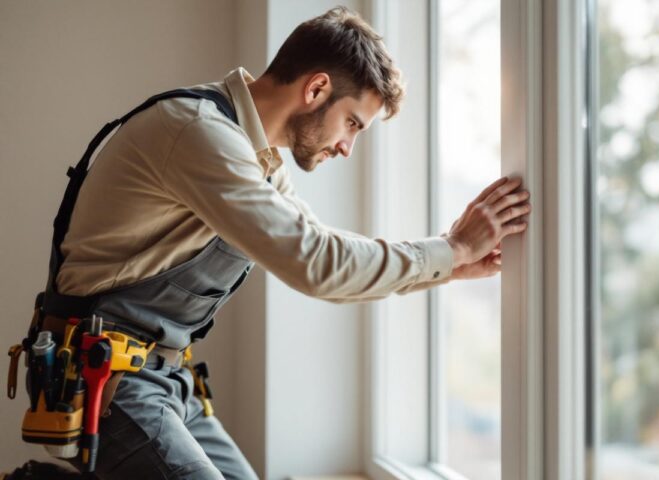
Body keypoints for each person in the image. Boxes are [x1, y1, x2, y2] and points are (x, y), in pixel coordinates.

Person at [35, 6, 530, 479]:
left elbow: (324, 256)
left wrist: (449, 264)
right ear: (317, 88)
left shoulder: (259, 158)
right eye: (352, 123)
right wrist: (452, 249)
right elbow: (316, 264)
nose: (347, 146)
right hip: (104, 380)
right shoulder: (198, 132)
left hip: (162, 377)